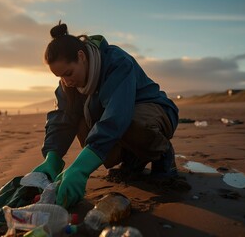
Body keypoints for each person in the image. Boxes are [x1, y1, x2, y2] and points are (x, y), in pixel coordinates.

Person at [32, 22, 179, 209]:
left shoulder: (117, 62)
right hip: (119, 121)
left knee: (132, 123)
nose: (67, 82)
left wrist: (80, 168)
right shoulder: (68, 84)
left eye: (68, 73)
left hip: (154, 112)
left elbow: (117, 116)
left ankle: (162, 153)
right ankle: (133, 158)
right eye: (60, 77)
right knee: (84, 126)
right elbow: (62, 118)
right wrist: (52, 157)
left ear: (81, 56)